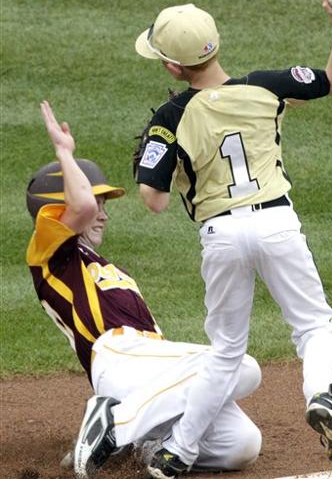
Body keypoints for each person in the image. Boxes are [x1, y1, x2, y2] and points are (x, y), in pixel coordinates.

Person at [133, 0, 332, 479]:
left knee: (226, 350)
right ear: (215, 47)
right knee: (315, 327)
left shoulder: (169, 118)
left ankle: (178, 452)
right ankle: (321, 393)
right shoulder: (266, 87)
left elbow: (154, 202)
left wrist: (163, 164)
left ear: (173, 68)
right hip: (278, 223)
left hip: (221, 233)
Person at [26, 101, 262, 479]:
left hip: (150, 371)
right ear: (54, 209)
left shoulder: (107, 267)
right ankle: (114, 424)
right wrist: (64, 153)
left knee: (242, 444)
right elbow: (82, 206)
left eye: (104, 204)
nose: (102, 212)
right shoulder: (51, 254)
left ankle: (140, 442)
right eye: (98, 203)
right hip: (118, 356)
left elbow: (84, 207)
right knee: (242, 366)